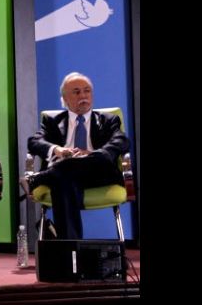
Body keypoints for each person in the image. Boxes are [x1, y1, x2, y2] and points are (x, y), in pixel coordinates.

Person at [24, 72, 129, 239]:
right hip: (64, 175)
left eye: (87, 91)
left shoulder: (109, 119)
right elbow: (34, 142)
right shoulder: (53, 121)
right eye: (77, 92)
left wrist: (91, 155)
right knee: (63, 179)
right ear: (65, 98)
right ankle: (72, 251)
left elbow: (121, 142)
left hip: (99, 173)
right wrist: (57, 150)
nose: (83, 96)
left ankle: (40, 178)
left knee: (63, 172)